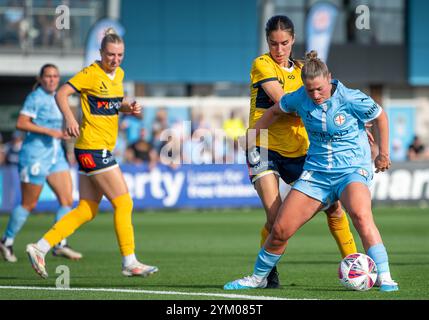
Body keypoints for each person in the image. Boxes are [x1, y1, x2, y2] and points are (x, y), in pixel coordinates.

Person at [224, 51, 398, 292]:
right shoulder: (299, 98)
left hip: (350, 171)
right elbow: (274, 111)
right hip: (316, 174)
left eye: (320, 89)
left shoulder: (351, 98)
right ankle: (258, 278)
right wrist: (252, 137)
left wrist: (383, 153)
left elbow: (381, 117)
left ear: (329, 78)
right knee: (280, 229)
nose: (315, 95)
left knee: (359, 214)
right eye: (309, 90)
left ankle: (385, 277)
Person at [25, 28, 158, 279]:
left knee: (87, 209)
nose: (115, 59)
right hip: (93, 147)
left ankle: (39, 247)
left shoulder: (119, 75)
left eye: (120, 55)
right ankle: (129, 261)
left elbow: (113, 103)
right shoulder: (90, 73)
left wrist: (128, 107)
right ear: (101, 53)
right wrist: (68, 118)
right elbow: (62, 94)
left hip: (98, 148)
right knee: (123, 202)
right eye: (110, 54)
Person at [243, 15, 357, 288]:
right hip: (263, 146)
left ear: (293, 40)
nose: (279, 50)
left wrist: (354, 120)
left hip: (299, 150)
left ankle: (355, 264)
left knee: (334, 209)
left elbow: (332, 97)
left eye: (284, 43)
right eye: (273, 43)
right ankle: (267, 274)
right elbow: (283, 101)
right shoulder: (262, 64)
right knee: (276, 216)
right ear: (267, 42)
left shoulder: (305, 68)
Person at [0, 64, 82, 263]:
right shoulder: (35, 97)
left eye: (55, 76)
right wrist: (50, 132)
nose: (52, 80)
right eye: (48, 76)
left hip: (55, 156)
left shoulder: (60, 97)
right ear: (41, 78)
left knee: (66, 200)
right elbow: (21, 123)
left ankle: (59, 243)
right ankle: (7, 241)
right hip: (35, 155)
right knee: (29, 203)